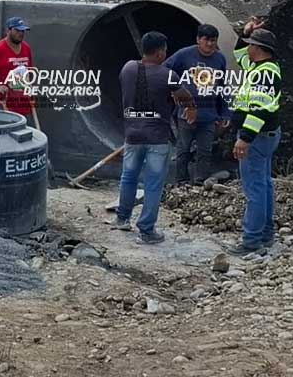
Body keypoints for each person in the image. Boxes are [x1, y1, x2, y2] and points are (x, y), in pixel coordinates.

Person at [113, 31, 197, 244]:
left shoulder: (128, 68)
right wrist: (189, 109)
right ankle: (147, 229)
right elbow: (184, 96)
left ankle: (122, 218)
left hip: (132, 135)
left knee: (128, 177)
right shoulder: (167, 75)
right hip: (157, 138)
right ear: (160, 52)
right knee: (153, 183)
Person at [227, 18, 284, 257]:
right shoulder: (260, 67)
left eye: (251, 44)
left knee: (255, 189)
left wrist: (245, 138)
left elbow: (259, 109)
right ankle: (266, 233)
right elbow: (239, 53)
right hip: (265, 136)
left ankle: (251, 240)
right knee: (264, 184)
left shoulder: (264, 75)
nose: (247, 48)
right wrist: (245, 33)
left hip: (258, 137)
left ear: (259, 49)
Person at [163, 24, 232, 185]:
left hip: (209, 113)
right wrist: (176, 89)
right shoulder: (184, 55)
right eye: (206, 40)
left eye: (213, 41)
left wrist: (225, 112)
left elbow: (223, 86)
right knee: (183, 149)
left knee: (205, 150)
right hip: (186, 112)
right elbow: (165, 70)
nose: (209, 44)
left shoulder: (220, 58)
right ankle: (181, 181)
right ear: (198, 40)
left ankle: (201, 181)